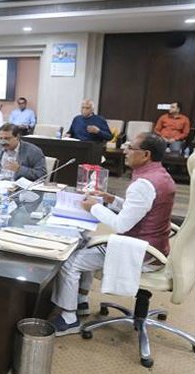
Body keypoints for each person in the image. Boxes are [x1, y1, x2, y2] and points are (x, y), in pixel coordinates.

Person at [49, 133, 175, 336]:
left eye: (130, 147)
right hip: (154, 247)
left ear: (146, 154)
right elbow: (139, 210)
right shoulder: (160, 175)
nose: (125, 151)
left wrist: (93, 207)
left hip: (140, 251)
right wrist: (110, 199)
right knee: (86, 244)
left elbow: (121, 224)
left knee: (69, 261)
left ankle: (69, 318)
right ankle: (81, 300)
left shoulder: (143, 184)